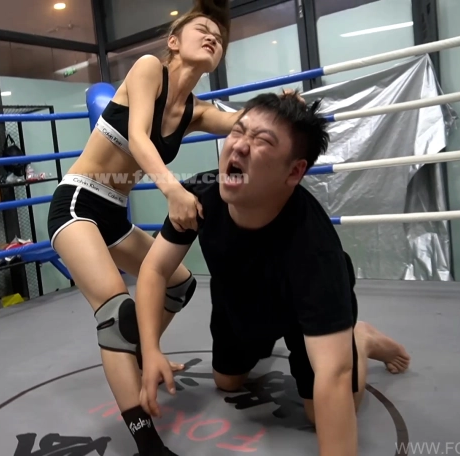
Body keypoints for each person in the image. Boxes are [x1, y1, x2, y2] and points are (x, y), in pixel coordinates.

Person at [47, 1, 298, 454]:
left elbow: (242, 123)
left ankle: (143, 356)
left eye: (219, 36)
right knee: (116, 315)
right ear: (174, 41)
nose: (213, 37)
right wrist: (172, 190)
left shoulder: (194, 112)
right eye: (202, 29)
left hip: (112, 215)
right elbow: (139, 137)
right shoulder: (149, 70)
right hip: (78, 203)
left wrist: (282, 111)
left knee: (179, 285)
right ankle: (148, 443)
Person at [134, 93, 412, 456]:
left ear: (294, 172)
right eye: (238, 131)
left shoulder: (315, 251)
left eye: (262, 140)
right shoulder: (199, 198)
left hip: (301, 311)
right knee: (226, 382)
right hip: (238, 301)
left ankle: (358, 338)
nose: (239, 145)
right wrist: (151, 348)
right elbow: (155, 269)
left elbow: (332, 376)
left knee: (320, 411)